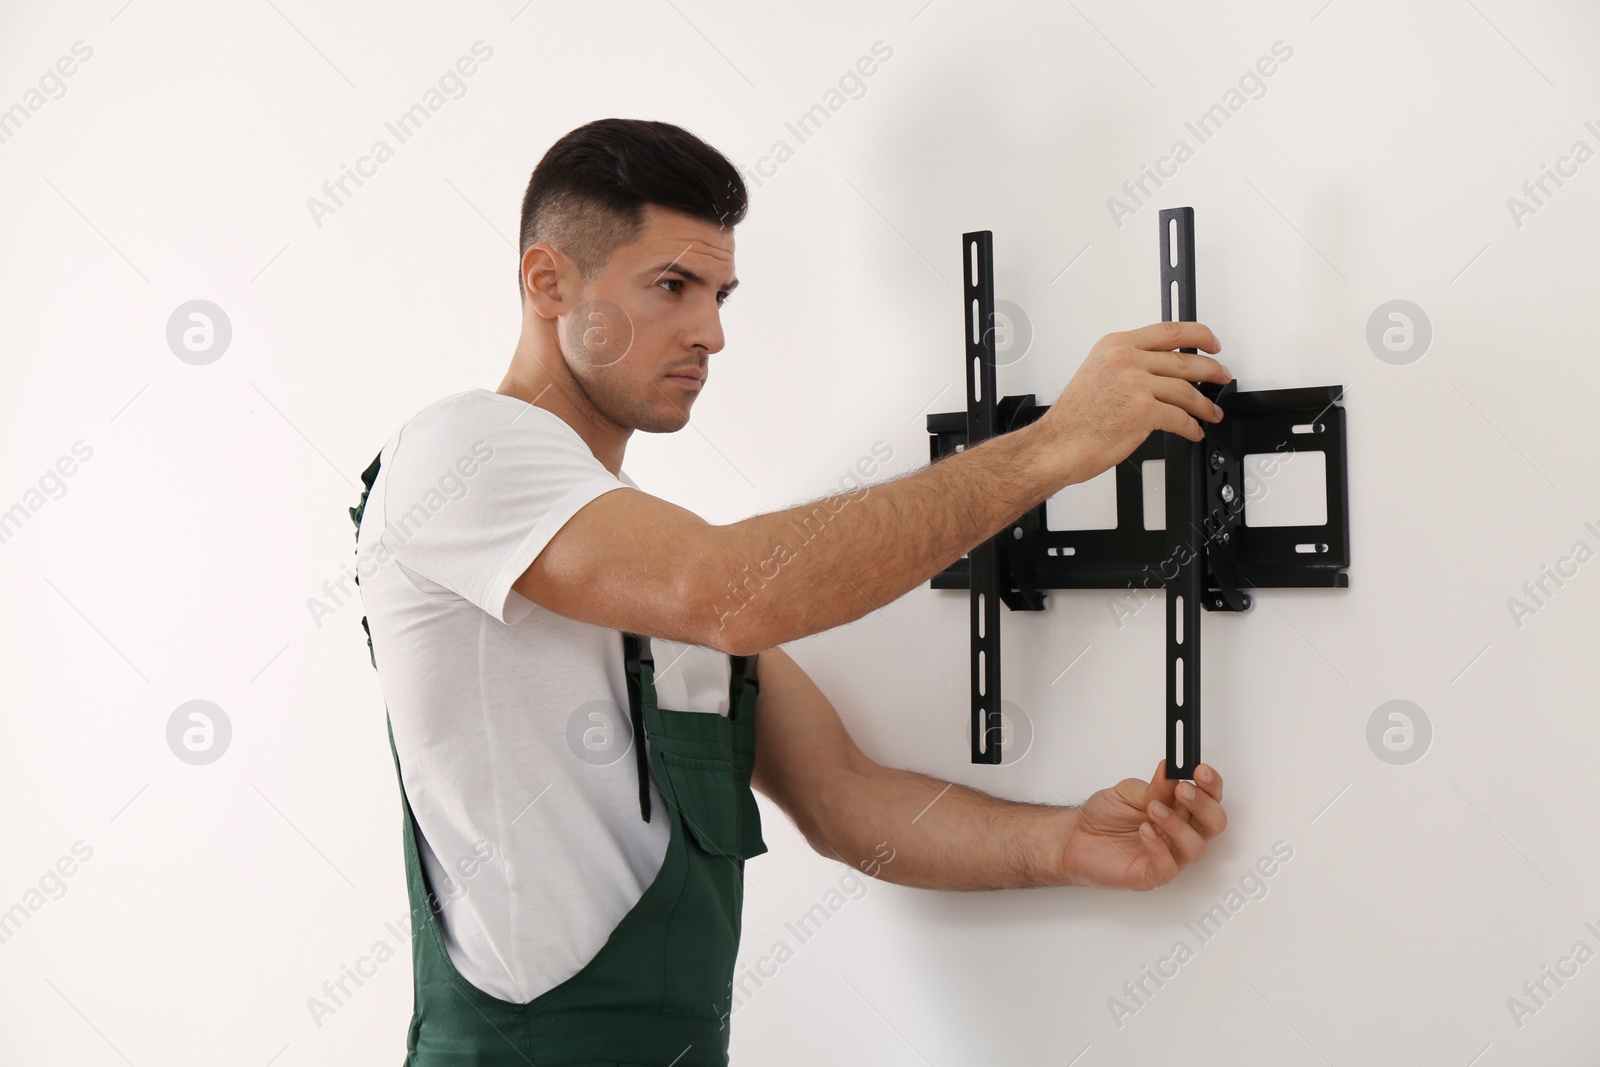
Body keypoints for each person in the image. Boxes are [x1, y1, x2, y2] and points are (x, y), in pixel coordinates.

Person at [350, 117, 1231, 1066]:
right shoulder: (460, 454)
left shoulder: (649, 558)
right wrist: (1049, 448)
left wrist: (1066, 844)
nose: (712, 332)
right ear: (547, 282)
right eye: (672, 286)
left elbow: (843, 797)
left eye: (721, 293)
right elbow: (735, 592)